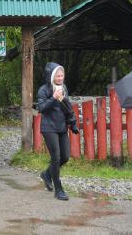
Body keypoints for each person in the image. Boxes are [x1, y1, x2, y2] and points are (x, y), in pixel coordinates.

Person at [37, 62, 79, 201]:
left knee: (65, 157)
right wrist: (53, 97)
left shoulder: (63, 88)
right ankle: (58, 189)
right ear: (51, 76)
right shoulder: (43, 90)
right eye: (58, 76)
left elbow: (67, 107)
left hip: (61, 127)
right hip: (49, 128)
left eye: (62, 75)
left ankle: (47, 174)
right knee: (56, 157)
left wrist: (72, 123)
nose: (60, 78)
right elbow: (41, 108)